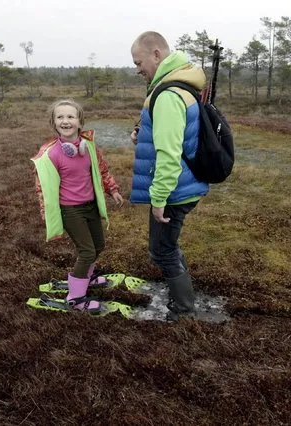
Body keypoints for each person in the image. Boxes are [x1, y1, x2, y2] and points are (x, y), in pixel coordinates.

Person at [129, 31, 208, 322]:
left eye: (138, 61)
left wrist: (159, 197)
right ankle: (182, 297)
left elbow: (169, 153)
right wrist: (144, 133)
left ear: (157, 54)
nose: (136, 68)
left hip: (174, 189)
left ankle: (184, 310)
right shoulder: (178, 84)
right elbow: (175, 134)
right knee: (165, 247)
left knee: (162, 250)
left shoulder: (168, 94)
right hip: (183, 183)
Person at [31, 99, 123, 313]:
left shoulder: (89, 146)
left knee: (98, 246)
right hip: (70, 210)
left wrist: (114, 190)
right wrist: (46, 211)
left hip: (90, 205)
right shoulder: (50, 154)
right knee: (87, 252)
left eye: (70, 116)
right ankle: (76, 297)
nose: (65, 121)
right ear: (53, 123)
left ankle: (85, 277)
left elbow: (101, 170)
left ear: (80, 122)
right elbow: (42, 187)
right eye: (60, 117)